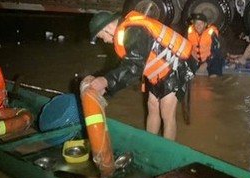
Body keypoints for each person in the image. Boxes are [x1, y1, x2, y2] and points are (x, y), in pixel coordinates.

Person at [82, 10, 197, 141]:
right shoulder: (124, 34)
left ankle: (166, 152)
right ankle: (149, 144)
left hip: (177, 66)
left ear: (107, 27)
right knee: (152, 106)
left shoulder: (135, 31)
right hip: (159, 70)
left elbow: (134, 66)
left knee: (167, 112)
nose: (105, 41)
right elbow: (123, 66)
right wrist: (106, 85)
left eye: (102, 37)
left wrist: (106, 81)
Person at [186, 13, 224, 77]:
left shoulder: (212, 33)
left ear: (205, 24)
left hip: (212, 59)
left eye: (201, 23)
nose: (198, 26)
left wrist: (206, 63)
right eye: (196, 23)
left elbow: (217, 52)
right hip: (195, 60)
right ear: (193, 24)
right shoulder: (189, 32)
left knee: (214, 75)